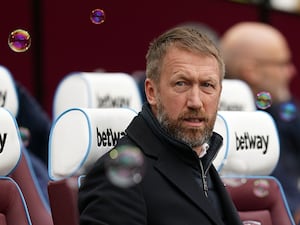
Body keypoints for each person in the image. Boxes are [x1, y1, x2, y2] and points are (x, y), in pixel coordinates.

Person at [78, 26, 243, 225]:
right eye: (181, 83)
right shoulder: (117, 176)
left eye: (207, 85)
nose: (196, 101)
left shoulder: (201, 162)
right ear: (151, 92)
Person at [220, 21, 300, 223]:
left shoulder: (282, 110)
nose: (291, 71)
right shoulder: (225, 124)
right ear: (251, 71)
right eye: (282, 63)